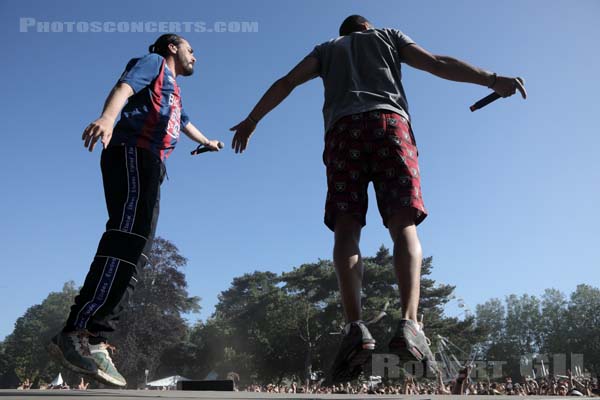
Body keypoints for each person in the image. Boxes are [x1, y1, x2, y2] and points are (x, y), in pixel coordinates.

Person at [230, 15, 526, 384]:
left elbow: (287, 82)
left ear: (344, 33)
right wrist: (491, 79)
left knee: (346, 229)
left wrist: (252, 119)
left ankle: (355, 328)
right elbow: (435, 63)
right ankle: (409, 323)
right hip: (391, 126)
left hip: (343, 133)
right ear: (367, 28)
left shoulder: (326, 51)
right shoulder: (389, 37)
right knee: (403, 224)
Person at [48, 33, 221, 387]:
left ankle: (94, 335)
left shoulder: (174, 90)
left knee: (138, 250)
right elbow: (125, 87)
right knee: (127, 238)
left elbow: (184, 121)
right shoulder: (154, 63)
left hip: (151, 163)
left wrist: (207, 142)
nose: (195, 57)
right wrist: (108, 118)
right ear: (173, 47)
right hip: (132, 151)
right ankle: (83, 332)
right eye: (191, 50)